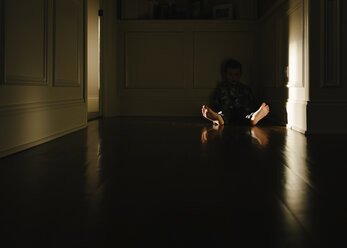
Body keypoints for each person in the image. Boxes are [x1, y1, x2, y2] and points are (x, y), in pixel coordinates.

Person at [201, 59, 270, 126]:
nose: (233, 77)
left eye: (236, 74)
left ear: (240, 75)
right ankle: (218, 119)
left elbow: (251, 102)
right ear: (225, 74)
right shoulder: (221, 88)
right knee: (224, 114)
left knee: (246, 114)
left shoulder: (245, 88)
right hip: (227, 111)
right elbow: (216, 102)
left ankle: (253, 118)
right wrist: (215, 112)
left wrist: (253, 109)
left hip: (242, 110)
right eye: (230, 74)